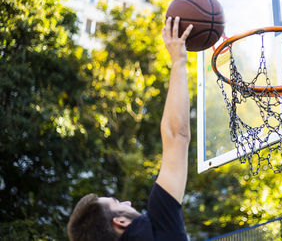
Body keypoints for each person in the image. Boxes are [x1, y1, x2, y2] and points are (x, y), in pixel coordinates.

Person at [67, 17, 193, 241]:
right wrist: (178, 60)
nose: (127, 202)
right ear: (121, 222)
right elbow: (176, 135)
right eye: (117, 203)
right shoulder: (155, 230)